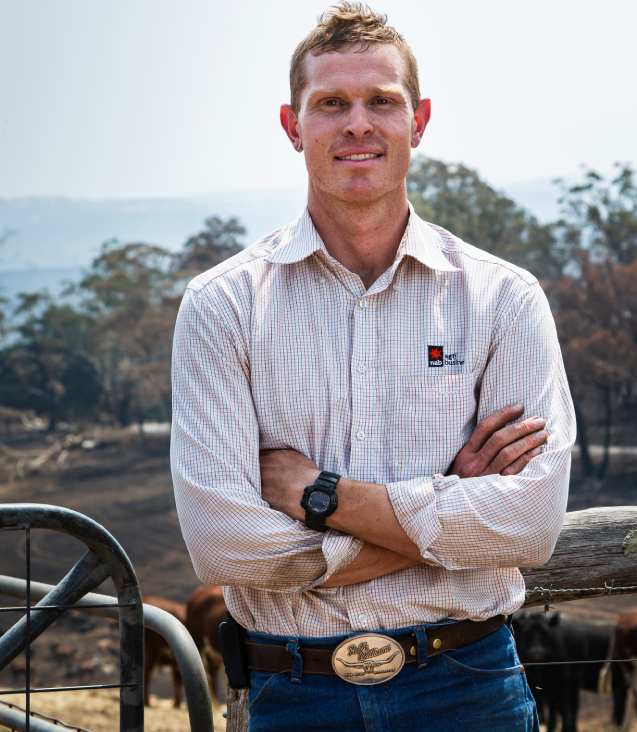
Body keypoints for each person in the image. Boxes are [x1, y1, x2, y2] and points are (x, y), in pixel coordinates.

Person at [169, 3, 574, 730]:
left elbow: (529, 527)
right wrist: (450, 506)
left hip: (467, 685)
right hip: (295, 693)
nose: (358, 123)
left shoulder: (502, 300)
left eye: (380, 102)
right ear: (293, 128)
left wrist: (321, 495)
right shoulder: (223, 305)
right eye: (331, 104)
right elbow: (221, 543)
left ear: (417, 121)